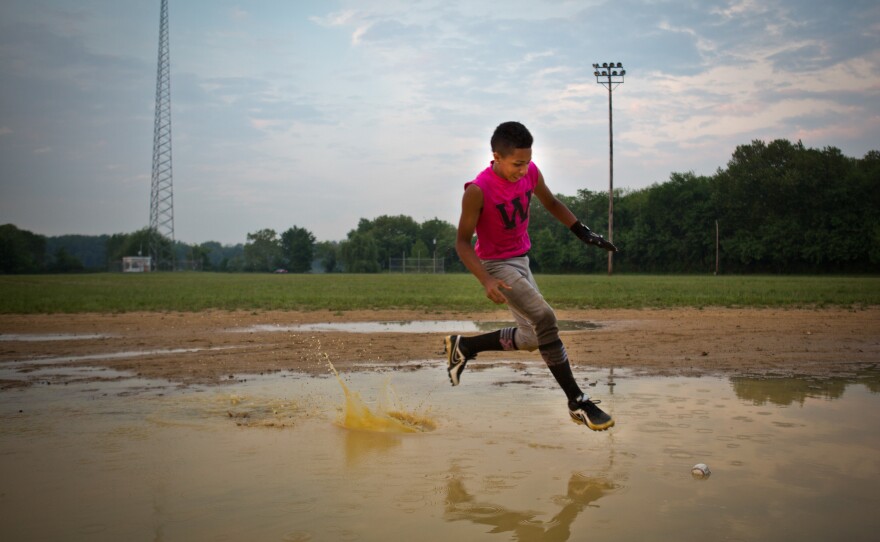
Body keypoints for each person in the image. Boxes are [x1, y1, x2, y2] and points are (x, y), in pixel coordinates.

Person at [445, 121, 617, 431]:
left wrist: (583, 232)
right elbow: (462, 242)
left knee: (531, 337)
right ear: (496, 156)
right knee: (544, 317)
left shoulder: (531, 172)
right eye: (517, 164)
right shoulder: (477, 191)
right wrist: (486, 279)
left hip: (521, 261)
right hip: (497, 266)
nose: (524, 170)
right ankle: (577, 401)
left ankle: (465, 347)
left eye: (527, 162)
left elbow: (551, 202)